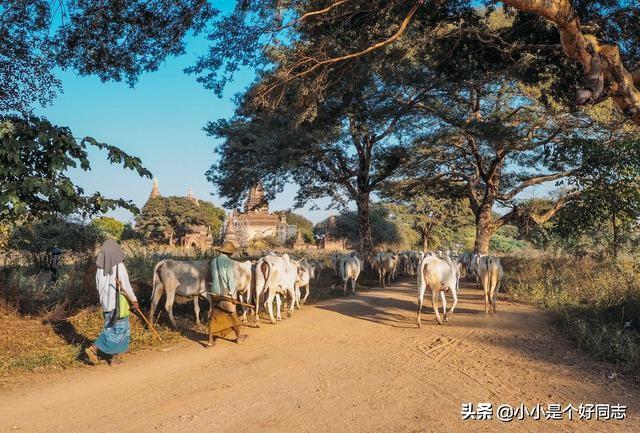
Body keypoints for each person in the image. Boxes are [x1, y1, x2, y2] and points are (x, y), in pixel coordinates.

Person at [85, 239, 139, 365]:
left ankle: (115, 358)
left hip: (106, 304)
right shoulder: (119, 266)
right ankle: (95, 348)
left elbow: (98, 287)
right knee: (120, 330)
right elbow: (125, 285)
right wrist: (134, 299)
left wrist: (104, 301)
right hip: (118, 304)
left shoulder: (99, 268)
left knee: (112, 328)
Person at [207, 241, 247, 347]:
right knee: (232, 314)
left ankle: (210, 341)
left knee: (214, 316)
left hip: (214, 293)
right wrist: (233, 296)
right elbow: (231, 281)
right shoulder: (230, 262)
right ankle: (239, 337)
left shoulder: (213, 261)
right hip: (225, 294)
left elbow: (210, 276)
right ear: (229, 253)